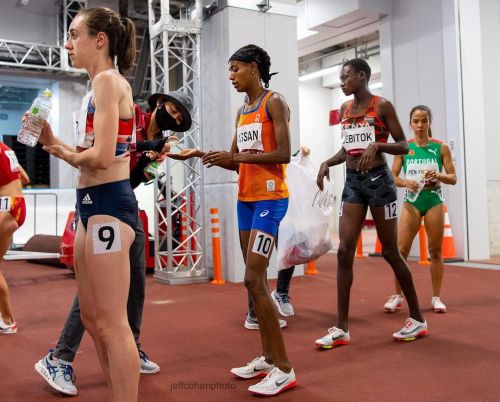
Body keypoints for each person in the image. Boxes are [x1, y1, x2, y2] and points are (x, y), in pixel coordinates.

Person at [34, 91, 192, 396]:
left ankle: (130, 348)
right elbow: (110, 152)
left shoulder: (159, 143)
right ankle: (59, 358)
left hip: (124, 204)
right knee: (95, 287)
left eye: (179, 119)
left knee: (135, 281)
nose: (174, 118)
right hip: (98, 201)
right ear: (160, 103)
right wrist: (148, 147)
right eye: (173, 110)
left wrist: (150, 161)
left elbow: (131, 178)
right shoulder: (129, 112)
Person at [35, 7, 140, 401]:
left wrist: (60, 152)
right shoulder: (95, 89)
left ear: (100, 40)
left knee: (112, 323)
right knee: (93, 321)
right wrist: (52, 142)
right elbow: (93, 152)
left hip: (110, 205)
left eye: (75, 34)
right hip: (89, 205)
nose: (67, 44)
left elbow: (99, 158)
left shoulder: (109, 82)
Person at [202, 44, 296, 396]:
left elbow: (284, 153)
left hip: (271, 200)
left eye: (235, 69)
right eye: (229, 70)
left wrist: (237, 155)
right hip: (245, 201)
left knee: (254, 280)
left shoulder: (275, 101)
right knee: (252, 284)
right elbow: (235, 159)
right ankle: (269, 357)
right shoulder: (243, 111)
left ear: (254, 69)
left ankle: (285, 368)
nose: (230, 77)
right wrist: (203, 154)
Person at [315, 58, 427, 348]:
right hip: (353, 183)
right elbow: (348, 148)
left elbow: (404, 144)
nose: (341, 82)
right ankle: (341, 328)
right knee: (344, 252)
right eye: (340, 78)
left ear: (362, 76)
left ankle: (417, 318)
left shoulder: (382, 106)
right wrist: (328, 161)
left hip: (380, 183)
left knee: (390, 251)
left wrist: (378, 145)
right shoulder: (344, 110)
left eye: (345, 77)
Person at [384, 105, 457, 314]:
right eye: (416, 121)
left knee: (435, 251)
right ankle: (397, 295)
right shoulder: (405, 148)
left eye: (424, 121)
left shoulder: (440, 148)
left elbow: (453, 177)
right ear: (410, 123)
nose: (420, 125)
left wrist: (439, 176)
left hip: (433, 199)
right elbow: (392, 177)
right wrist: (406, 182)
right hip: (412, 201)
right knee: (401, 251)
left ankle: (436, 297)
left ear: (429, 122)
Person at [245, 146, 311, 329]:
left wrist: (300, 155)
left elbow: (286, 157)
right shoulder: (255, 144)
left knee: (290, 252)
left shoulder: (281, 143)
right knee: (258, 260)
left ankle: (281, 292)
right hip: (262, 202)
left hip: (283, 206)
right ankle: (254, 312)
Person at [0, 142, 29, 335]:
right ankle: (7, 320)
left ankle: (9, 320)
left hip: (6, 207)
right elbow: (25, 178)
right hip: (16, 205)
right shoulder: (5, 149)